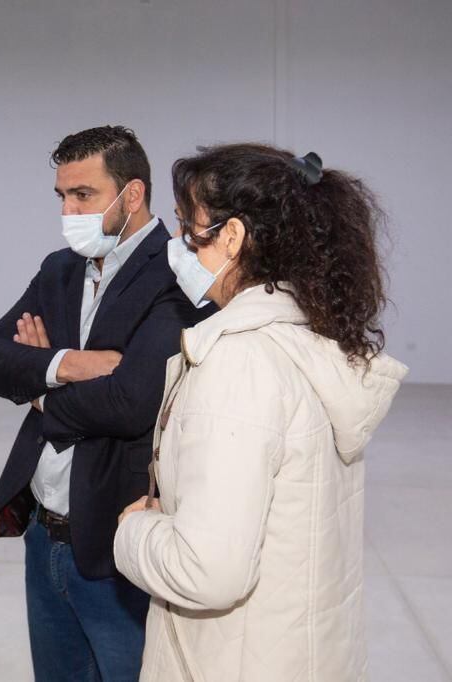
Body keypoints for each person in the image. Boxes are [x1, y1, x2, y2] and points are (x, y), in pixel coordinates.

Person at [114, 144, 408, 681]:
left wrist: (135, 531)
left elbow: (209, 571)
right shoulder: (314, 343)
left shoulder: (240, 364)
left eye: (188, 227)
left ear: (231, 236)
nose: (177, 245)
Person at [0, 125, 213, 681]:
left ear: (132, 195)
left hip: (115, 540)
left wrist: (37, 387)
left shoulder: (176, 272)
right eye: (62, 195)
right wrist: (68, 364)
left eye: (84, 195)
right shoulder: (60, 268)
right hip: (42, 533)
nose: (69, 209)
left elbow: (131, 402)